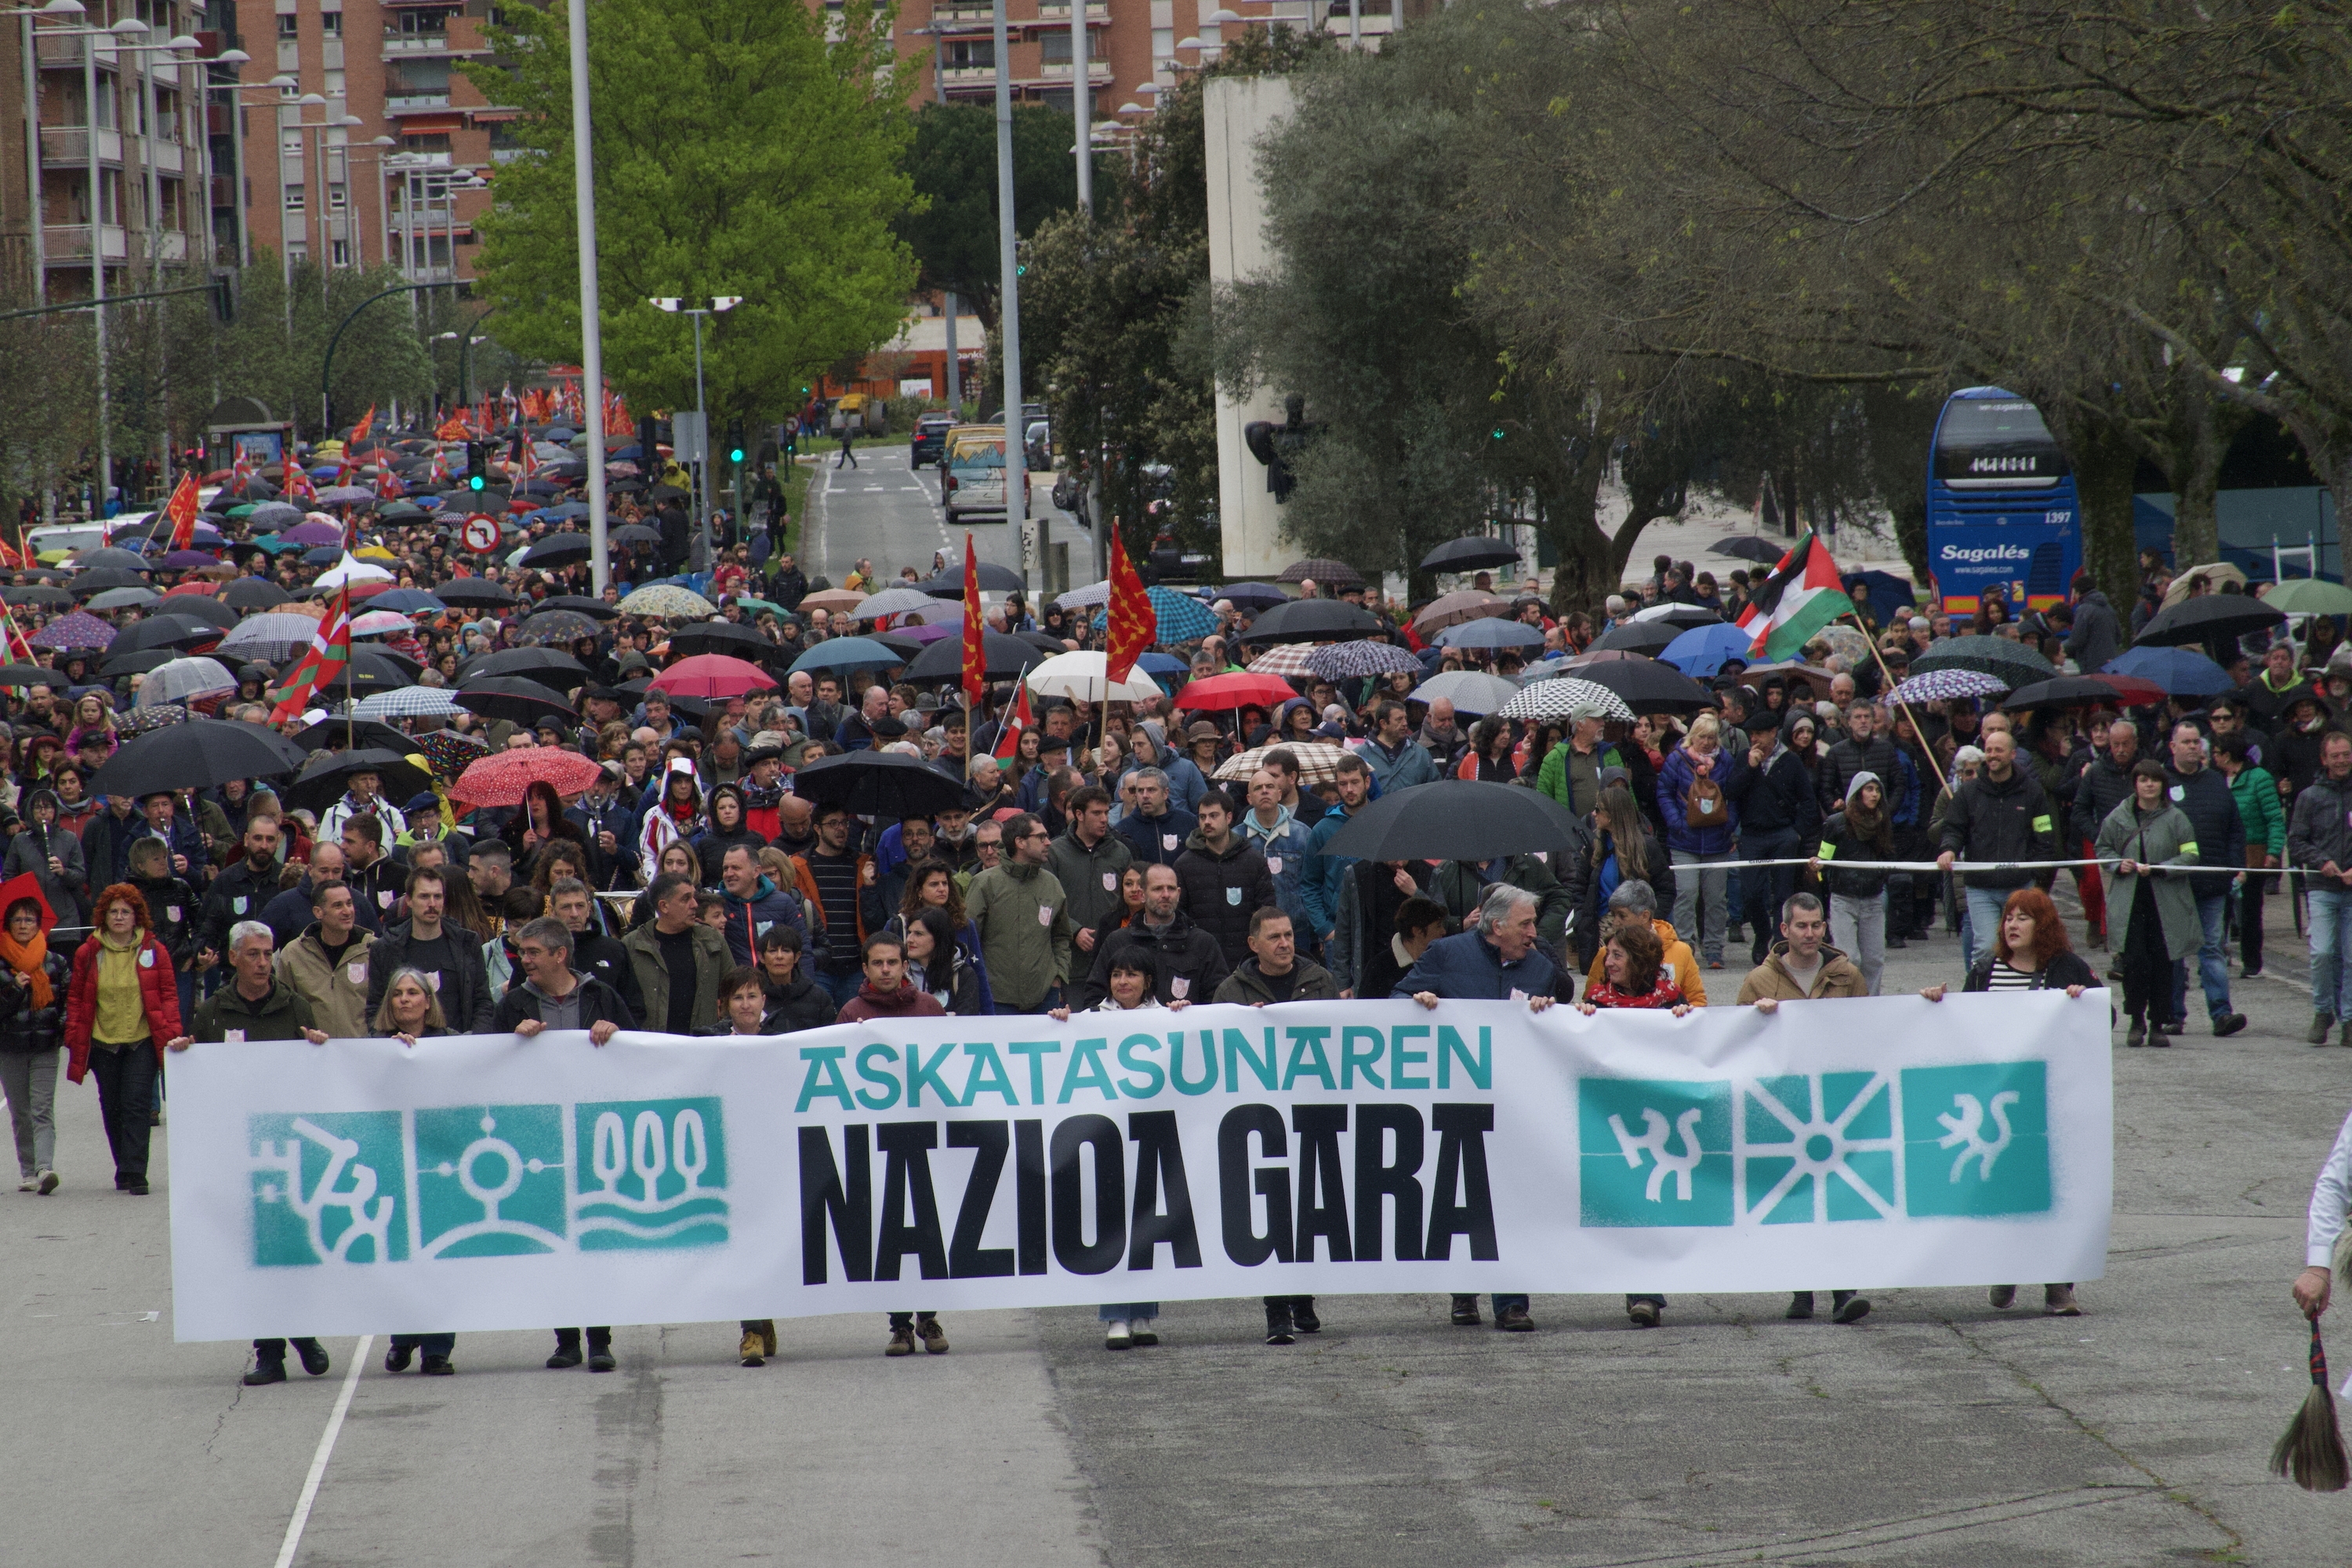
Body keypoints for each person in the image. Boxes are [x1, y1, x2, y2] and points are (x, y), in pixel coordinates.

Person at [1396, 886, 1567, 1334]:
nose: (1534, 932)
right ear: (1498, 927)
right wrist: (1418, 1005)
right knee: (1458, 1197)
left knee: (1511, 1200)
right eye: (1526, 924)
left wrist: (1548, 1012)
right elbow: (1394, 1003)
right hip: (1455, 1101)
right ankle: (1463, 1292)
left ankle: (1511, 1302)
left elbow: (1562, 1028)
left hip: (1514, 1105)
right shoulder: (1446, 954)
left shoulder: (1541, 969)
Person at [1920, 887, 2095, 1316]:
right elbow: (1963, 1026)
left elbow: (2102, 1018)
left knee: (2054, 1191)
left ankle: (2059, 1287)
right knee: (2004, 1189)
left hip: (2049, 1100)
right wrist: (1937, 1004)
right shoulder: (1986, 970)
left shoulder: (2066, 967)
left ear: (2044, 925)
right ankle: (2006, 1269)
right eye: (2008, 918)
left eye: (2022, 918)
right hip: (1997, 1098)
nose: (2012, 925)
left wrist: (2081, 1000)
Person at [172, 920, 332, 1386]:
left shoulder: (294, 1006)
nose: (264, 963)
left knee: (289, 1250)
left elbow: (318, 1078)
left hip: (288, 1150)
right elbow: (198, 1079)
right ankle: (271, 1353)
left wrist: (319, 1049)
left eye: (269, 954)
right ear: (234, 958)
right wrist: (185, 1055)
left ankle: (301, 1332)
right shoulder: (213, 1012)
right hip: (237, 1152)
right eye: (255, 955)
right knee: (254, 1252)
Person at [1735, 892, 1873, 1323]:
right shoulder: (1759, 980)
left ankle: (1843, 1290)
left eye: (1816, 925)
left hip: (1835, 1104)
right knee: (1795, 1199)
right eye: (1801, 926)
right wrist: (1755, 1019)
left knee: (1837, 1198)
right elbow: (1734, 1039)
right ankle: (1801, 1290)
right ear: (1784, 931)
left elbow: (1875, 1028)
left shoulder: (1848, 975)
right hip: (1785, 1105)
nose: (1810, 933)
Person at [1570, 918, 1696, 1328]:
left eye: (1617, 955)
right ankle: (1639, 1289)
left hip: (1659, 1118)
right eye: (1608, 954)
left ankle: (1646, 1295)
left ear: (1640, 959)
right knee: (1627, 1207)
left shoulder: (1669, 1000)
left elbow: (1698, 1042)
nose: (1608, 962)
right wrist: (1579, 1019)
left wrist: (1685, 1019)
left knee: (1651, 1206)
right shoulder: (1597, 1001)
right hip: (1611, 1121)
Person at [64, 884, 188, 1199]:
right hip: (103, 1041)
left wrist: (172, 1030)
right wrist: (74, 1033)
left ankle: (136, 1172)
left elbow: (169, 995)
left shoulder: (154, 951)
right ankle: (123, 1165)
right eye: (113, 912)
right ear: (103, 916)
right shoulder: (88, 953)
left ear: (137, 918)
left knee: (136, 1104)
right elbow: (76, 997)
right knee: (112, 1106)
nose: (119, 917)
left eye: (125, 912)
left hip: (141, 1040)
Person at [370, 969, 462, 1374]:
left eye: (413, 993)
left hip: (441, 1164)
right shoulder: (372, 1048)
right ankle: (402, 1337)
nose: (404, 1000)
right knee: (399, 1254)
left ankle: (437, 1348)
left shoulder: (451, 1045)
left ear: (428, 1001)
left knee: (440, 1256)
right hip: (392, 1162)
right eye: (397, 994)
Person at [702, 965, 786, 1367]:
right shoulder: (708, 1043)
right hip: (731, 1159)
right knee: (744, 1242)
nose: (746, 1004)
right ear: (725, 1005)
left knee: (774, 1240)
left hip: (778, 1156)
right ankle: (751, 1329)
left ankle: (765, 1314)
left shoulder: (787, 1037)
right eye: (738, 998)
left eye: (753, 996)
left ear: (764, 1000)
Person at [1936, 730, 2061, 972]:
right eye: (1989, 750)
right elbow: (1953, 828)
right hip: (1980, 888)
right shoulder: (1968, 793)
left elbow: (2044, 834)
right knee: (1986, 948)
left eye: (1999, 750)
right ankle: (1981, 996)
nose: (1993, 755)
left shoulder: (2033, 792)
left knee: (2023, 947)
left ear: (2012, 754)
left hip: (2020, 886)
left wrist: (2037, 871)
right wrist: (1949, 849)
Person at [2161, 721, 2249, 1037]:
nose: (2192, 747)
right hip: (2174, 882)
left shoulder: (2216, 781)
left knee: (2212, 948)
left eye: (2197, 742)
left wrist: (2237, 866)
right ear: (2172, 747)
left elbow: (2235, 829)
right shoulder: (2160, 782)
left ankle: (2221, 1013)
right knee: (2174, 951)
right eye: (2185, 742)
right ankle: (2172, 1014)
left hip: (2213, 882)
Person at [1657, 712, 1747, 969]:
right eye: (1702, 737)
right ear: (1692, 737)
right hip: (1684, 840)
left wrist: (1729, 825)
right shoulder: (1676, 760)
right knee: (1686, 894)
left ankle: (1714, 949)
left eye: (1711, 737)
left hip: (1717, 840)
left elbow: (1735, 794)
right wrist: (1676, 823)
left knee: (1716, 898)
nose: (1707, 742)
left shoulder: (1726, 761)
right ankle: (1685, 946)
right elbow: (1663, 791)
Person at [964, 812, 1076, 1014]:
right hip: (996, 998)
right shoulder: (985, 883)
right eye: (1041, 837)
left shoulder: (1051, 884)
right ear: (1020, 842)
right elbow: (969, 940)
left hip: (1045, 996)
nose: (1049, 843)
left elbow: (1061, 937)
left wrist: (1058, 976)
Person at [1074, 862, 1228, 1008]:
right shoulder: (1118, 941)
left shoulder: (1202, 943)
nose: (1166, 895)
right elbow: (1095, 995)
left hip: (1184, 1034)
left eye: (1171, 889)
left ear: (1179, 894)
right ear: (1142, 895)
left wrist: (1189, 1013)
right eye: (1158, 889)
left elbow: (1220, 999)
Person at [365, 866, 495, 1033]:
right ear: (409, 900)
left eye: (438, 896)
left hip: (459, 1049)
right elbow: (375, 1008)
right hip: (405, 1049)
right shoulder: (385, 949)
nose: (432, 904)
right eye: (424, 896)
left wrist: (472, 1040)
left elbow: (482, 1002)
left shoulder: (467, 943)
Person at [0, 891, 71, 1195]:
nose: (24, 924)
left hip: (45, 1046)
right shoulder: (2, 963)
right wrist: (14, 988)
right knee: (21, 1112)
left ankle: (44, 1169)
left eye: (30, 919)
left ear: (40, 924)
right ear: (8, 924)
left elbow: (68, 1001)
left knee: (42, 1108)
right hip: (10, 1048)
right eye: (18, 919)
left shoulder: (54, 961)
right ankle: (28, 1170)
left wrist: (64, 1029)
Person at [1173, 789, 1278, 968]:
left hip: (1246, 960)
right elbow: (1179, 915)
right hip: (1201, 960)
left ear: (1229, 818)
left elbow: (1266, 912)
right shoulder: (1184, 864)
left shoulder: (1253, 861)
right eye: (1202, 817)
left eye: (1214, 816)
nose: (1207, 822)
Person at [1813, 771, 1894, 995]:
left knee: (1874, 960)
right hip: (1843, 899)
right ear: (1857, 794)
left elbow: (1888, 857)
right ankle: (1846, 1000)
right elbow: (1824, 858)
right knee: (1849, 958)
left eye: (1877, 790)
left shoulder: (1883, 823)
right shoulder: (1836, 823)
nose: (1874, 794)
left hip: (1873, 899)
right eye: (1869, 789)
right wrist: (1820, 866)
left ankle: (1871, 1002)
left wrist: (1880, 877)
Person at [621, 872, 728, 1036]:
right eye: (686, 899)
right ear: (664, 906)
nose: (694, 905)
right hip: (651, 1049)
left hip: (703, 1047)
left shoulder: (712, 940)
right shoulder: (632, 945)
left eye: (694, 897)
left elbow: (734, 991)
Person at [2212, 731, 2282, 979]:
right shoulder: (2215, 779)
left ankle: (2252, 962)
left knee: (2250, 911)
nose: (2213, 757)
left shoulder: (2260, 778)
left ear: (2227, 755)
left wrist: (2274, 851)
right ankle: (2215, 958)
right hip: (2222, 854)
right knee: (2218, 910)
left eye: (2216, 753)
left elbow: (2274, 818)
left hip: (2253, 853)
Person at [495, 916, 637, 1036]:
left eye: (533, 952)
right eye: (523, 952)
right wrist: (514, 1040)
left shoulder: (602, 996)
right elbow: (496, 1058)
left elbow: (632, 1048)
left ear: (560, 954)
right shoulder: (512, 1004)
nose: (525, 960)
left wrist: (616, 1034)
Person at [273, 881, 377, 1039]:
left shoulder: (373, 949)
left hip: (362, 1054)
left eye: (349, 903)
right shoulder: (294, 954)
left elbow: (385, 1007)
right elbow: (283, 1009)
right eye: (338, 906)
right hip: (313, 1052)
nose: (347, 911)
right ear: (318, 912)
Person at [1582, 880, 1705, 1003]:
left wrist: (1681, 1016)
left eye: (1622, 915)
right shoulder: (1606, 954)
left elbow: (1696, 1000)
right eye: (1614, 915)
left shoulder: (1681, 951)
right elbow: (1591, 1000)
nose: (1615, 922)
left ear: (1645, 916)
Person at [1211, 906, 1340, 1007]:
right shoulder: (1230, 992)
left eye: (1288, 935)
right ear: (1253, 944)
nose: (1284, 944)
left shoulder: (1322, 981)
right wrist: (1245, 1022)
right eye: (1274, 937)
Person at [902, 906, 985, 1014]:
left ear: (938, 937)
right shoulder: (899, 973)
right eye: (909, 933)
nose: (909, 940)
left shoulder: (962, 975)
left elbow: (966, 1023)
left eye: (918, 934)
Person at [756, 925, 839, 1031]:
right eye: (773, 951)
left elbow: (832, 1038)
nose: (779, 956)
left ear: (797, 957)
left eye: (786, 950)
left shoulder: (820, 998)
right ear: (761, 957)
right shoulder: (750, 997)